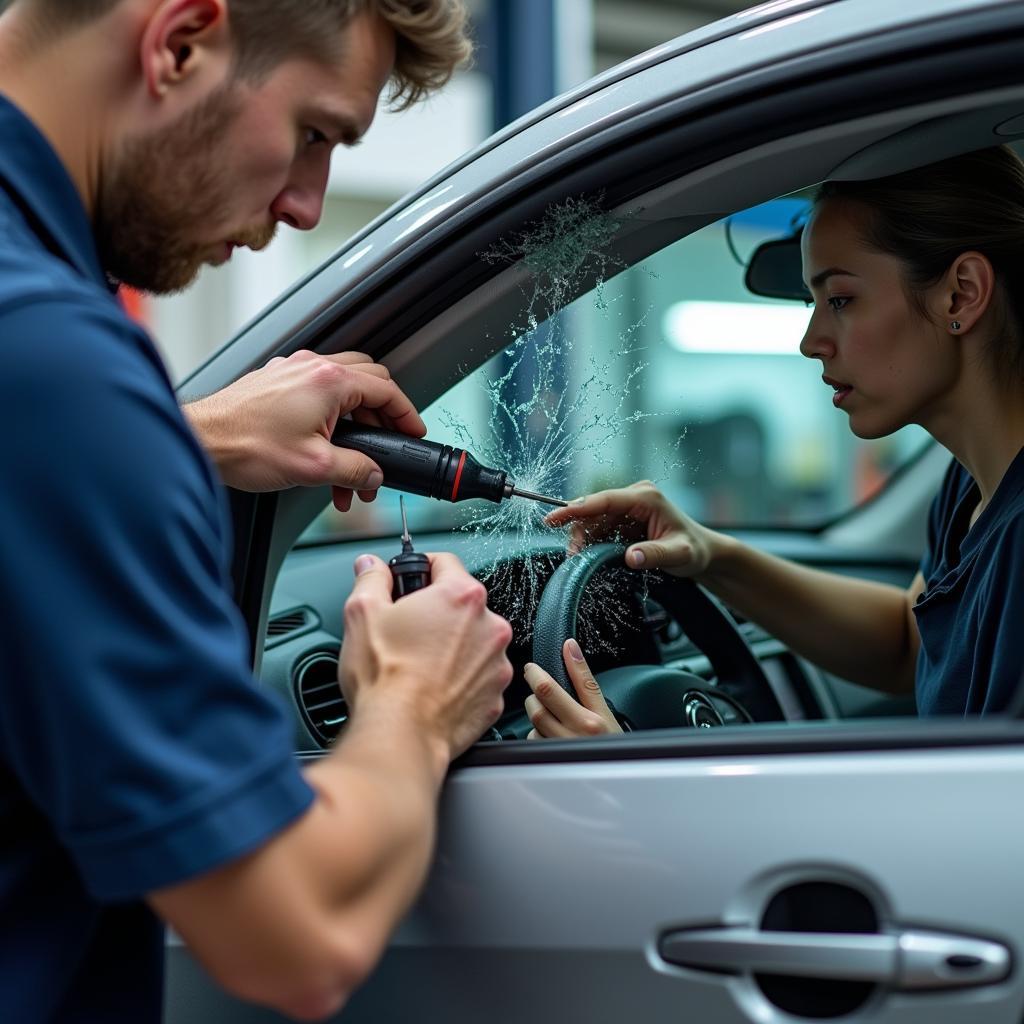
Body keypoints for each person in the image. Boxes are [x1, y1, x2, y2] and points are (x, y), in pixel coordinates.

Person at [0, 1, 514, 1021]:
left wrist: (178, 436)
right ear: (181, 39)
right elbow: (295, 933)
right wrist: (414, 700)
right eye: (315, 133)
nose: (305, 204)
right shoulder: (54, 365)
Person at [525, 145, 1024, 738]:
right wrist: (709, 554)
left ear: (961, 294)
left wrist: (627, 781)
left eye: (840, 300)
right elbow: (908, 646)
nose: (812, 340)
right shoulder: (970, 488)